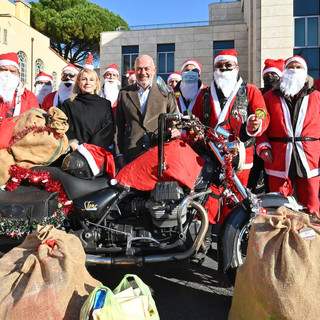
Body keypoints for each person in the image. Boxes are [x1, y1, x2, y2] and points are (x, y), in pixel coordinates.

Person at [192, 49, 269, 224]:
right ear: (214, 69)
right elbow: (195, 121)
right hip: (210, 155)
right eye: (219, 65)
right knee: (208, 197)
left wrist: (255, 123)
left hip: (239, 156)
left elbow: (263, 114)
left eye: (228, 65)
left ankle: (232, 236)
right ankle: (207, 235)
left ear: (237, 67)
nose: (224, 68)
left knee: (235, 199)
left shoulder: (250, 90)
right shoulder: (204, 94)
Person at [257, 55, 320, 214]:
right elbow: (262, 125)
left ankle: (311, 237)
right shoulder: (269, 97)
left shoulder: (317, 97)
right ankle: (280, 237)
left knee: (311, 205)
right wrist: (263, 147)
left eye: (298, 67)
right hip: (278, 157)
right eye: (290, 67)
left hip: (309, 157)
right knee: (278, 206)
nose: (294, 70)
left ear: (305, 72)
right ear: (284, 71)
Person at [114, 54, 180, 169]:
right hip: (131, 152)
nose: (143, 72)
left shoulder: (166, 92)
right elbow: (118, 126)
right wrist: (119, 153)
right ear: (134, 70)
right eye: (139, 69)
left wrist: (176, 129)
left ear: (154, 70)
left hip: (159, 151)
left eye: (146, 69)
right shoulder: (124, 93)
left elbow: (175, 120)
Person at [247, 58, 284, 193]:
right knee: (250, 181)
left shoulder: (284, 96)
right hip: (256, 144)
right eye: (267, 76)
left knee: (272, 184)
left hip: (275, 147)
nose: (270, 78)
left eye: (274, 75)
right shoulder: (258, 93)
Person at [0, 52, 39, 119]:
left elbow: (35, 122)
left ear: (18, 73)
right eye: (3, 70)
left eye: (12, 71)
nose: (7, 74)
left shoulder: (28, 97)